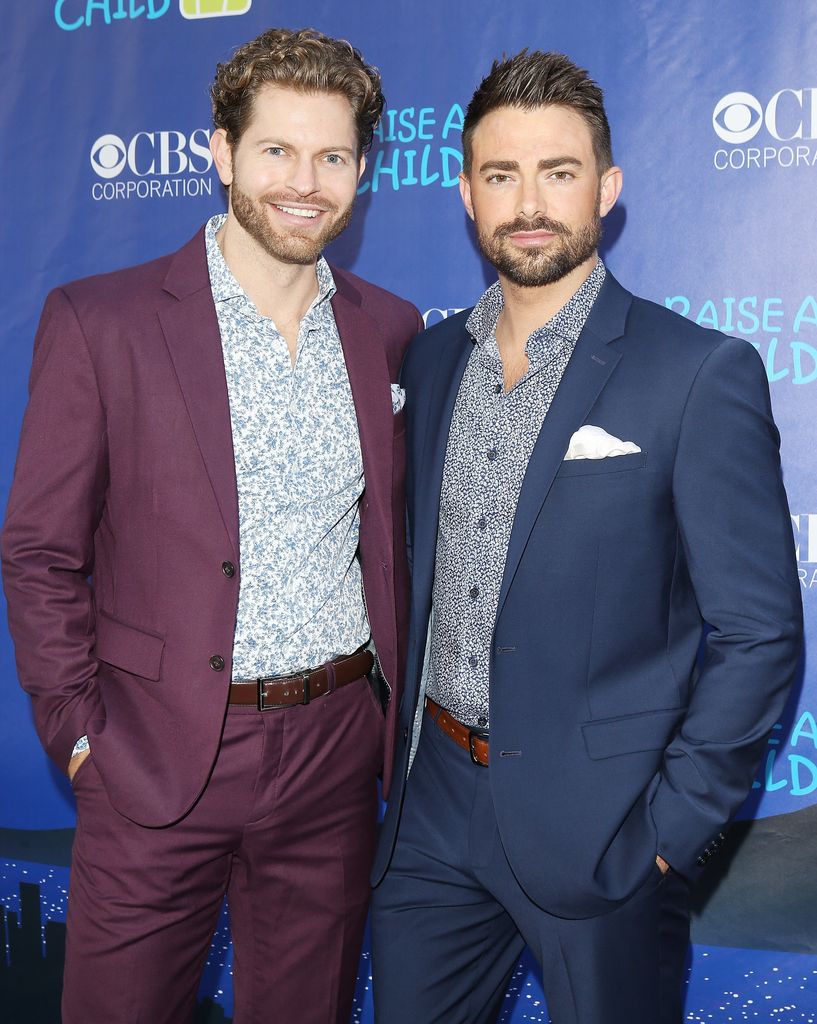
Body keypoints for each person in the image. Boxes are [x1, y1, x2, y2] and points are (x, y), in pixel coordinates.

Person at [370, 50, 802, 1024]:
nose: (528, 202)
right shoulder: (432, 360)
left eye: (557, 172)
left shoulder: (696, 372)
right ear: (465, 196)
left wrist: (666, 830)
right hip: (431, 813)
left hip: (605, 828)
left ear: (606, 189)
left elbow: (759, 633)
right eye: (500, 174)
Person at [1, 26, 421, 1024]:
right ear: (221, 151)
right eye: (276, 149)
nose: (304, 181)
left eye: (332, 156)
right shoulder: (101, 321)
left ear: (362, 169)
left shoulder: (387, 328)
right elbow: (39, 549)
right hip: (152, 754)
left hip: (331, 756)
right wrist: (78, 736)